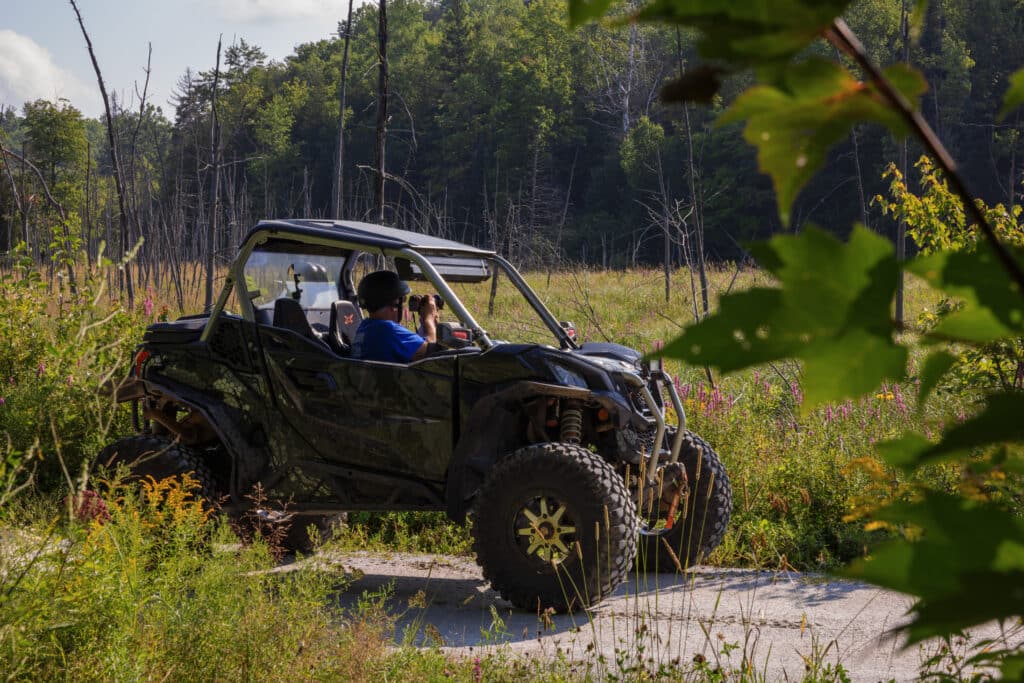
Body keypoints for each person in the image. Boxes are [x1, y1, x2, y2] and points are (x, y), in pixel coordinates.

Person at [351, 270, 439, 363]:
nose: (404, 304)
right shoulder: (387, 330)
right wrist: (429, 319)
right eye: (403, 299)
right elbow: (430, 353)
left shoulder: (364, 327)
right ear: (395, 303)